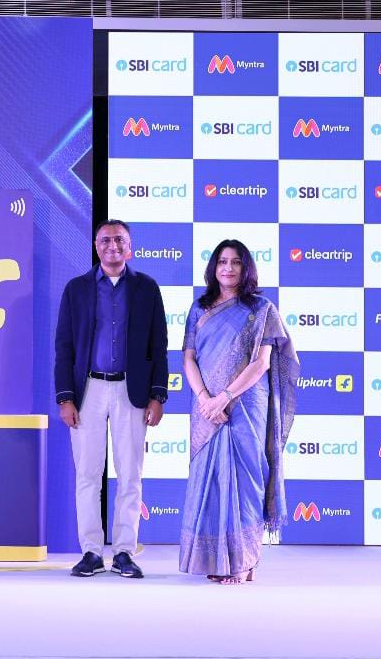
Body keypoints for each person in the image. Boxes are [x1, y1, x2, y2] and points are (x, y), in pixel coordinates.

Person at [179, 239, 299, 585]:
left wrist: (225, 397)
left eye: (235, 262)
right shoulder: (199, 308)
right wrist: (206, 398)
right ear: (213, 268)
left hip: (245, 405)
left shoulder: (261, 309)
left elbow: (262, 363)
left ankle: (245, 562)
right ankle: (216, 560)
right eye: (222, 262)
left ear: (246, 268)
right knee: (212, 481)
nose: (228, 268)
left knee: (247, 480)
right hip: (206, 408)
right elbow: (188, 358)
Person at [55, 219, 168, 579]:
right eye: (105, 240)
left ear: (130, 247)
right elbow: (64, 347)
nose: (112, 245)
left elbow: (158, 346)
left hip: (131, 392)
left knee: (130, 475)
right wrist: (65, 397)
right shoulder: (77, 289)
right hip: (88, 390)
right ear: (96, 246)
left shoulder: (147, 288)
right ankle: (90, 551)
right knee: (88, 474)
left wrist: (157, 395)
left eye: (119, 240)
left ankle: (123, 552)